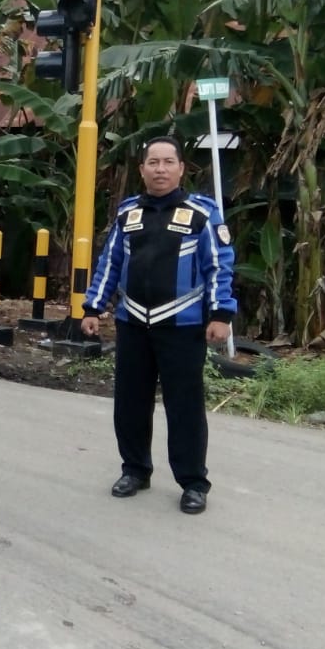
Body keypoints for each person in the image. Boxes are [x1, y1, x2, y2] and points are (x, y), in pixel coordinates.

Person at [80, 136, 236, 514]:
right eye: (153, 162)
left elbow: (220, 264)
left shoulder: (203, 212)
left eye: (168, 162)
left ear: (182, 169)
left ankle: (193, 482)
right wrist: (92, 307)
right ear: (142, 169)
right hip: (132, 322)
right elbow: (110, 262)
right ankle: (135, 470)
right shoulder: (128, 212)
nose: (160, 169)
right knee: (130, 403)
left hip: (183, 326)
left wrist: (221, 314)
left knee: (185, 406)